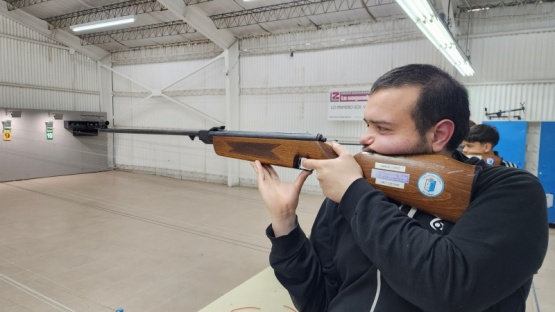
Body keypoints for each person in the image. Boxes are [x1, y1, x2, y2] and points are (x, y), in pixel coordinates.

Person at [251, 64, 548, 311]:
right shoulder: (356, 188)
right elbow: (319, 299)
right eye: (367, 125)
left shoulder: (510, 191)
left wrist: (355, 194)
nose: (365, 138)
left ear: (440, 134)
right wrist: (285, 222)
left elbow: (450, 288)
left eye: (382, 128)